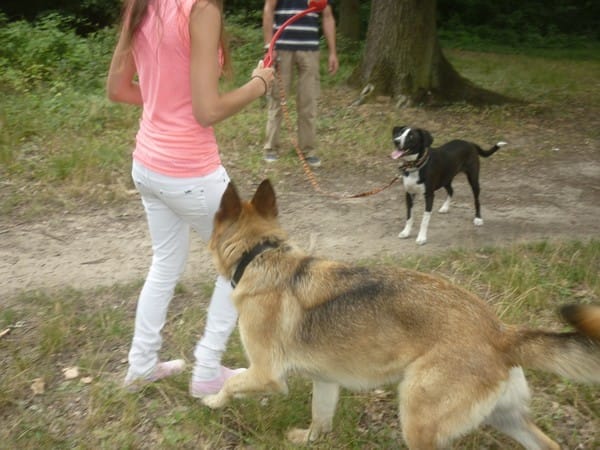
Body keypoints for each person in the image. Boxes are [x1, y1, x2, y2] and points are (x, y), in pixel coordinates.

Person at [106, 0, 274, 397]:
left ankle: (141, 366)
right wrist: (259, 85)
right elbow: (207, 111)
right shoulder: (201, 9)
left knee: (165, 264)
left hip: (148, 165)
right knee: (246, 261)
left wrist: (166, 101)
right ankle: (208, 370)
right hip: (188, 172)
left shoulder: (142, 4)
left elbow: (117, 89)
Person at [262, 0, 339, 167]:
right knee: (277, 98)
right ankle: (271, 148)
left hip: (309, 49)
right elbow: (268, 9)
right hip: (281, 47)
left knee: (308, 100)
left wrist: (333, 52)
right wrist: (269, 46)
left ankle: (308, 150)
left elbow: (327, 16)